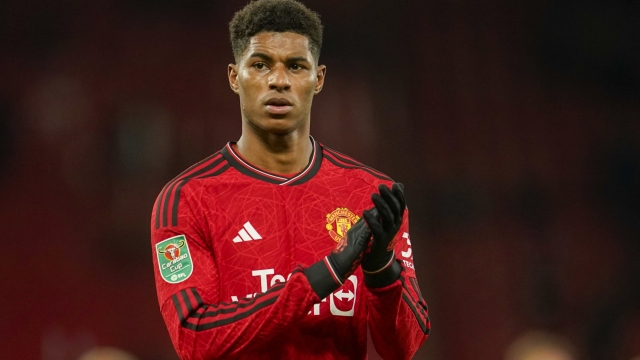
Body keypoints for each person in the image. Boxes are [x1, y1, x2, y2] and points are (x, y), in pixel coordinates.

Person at [150, 0, 429, 358]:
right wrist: (330, 271)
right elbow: (195, 338)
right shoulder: (188, 199)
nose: (278, 81)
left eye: (296, 66)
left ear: (319, 79)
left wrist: (380, 267)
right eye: (261, 65)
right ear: (235, 77)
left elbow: (403, 348)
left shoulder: (370, 195)